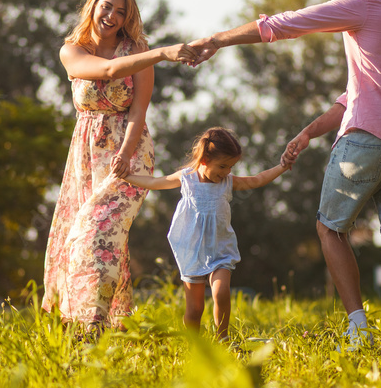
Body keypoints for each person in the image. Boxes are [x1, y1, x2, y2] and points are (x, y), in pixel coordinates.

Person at [189, 0, 381, 350]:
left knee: (329, 229)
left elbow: (284, 23)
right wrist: (309, 132)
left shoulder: (367, 3)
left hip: (369, 139)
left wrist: (218, 39)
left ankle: (358, 328)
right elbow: (359, 94)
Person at [43, 0, 195, 332]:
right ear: (93, 6)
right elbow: (110, 72)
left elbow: (139, 110)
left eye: (121, 11)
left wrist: (125, 155)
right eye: (106, 7)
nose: (112, 16)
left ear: (128, 18)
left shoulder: (136, 50)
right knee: (91, 236)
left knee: (98, 232)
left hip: (130, 152)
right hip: (86, 154)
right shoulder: (72, 50)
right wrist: (163, 52)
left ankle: (91, 324)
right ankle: (108, 323)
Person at [121, 127, 290, 342]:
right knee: (194, 308)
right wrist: (127, 177)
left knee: (221, 294)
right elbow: (155, 183)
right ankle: (194, 347)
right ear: (204, 159)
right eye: (222, 166)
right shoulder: (187, 179)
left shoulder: (228, 182)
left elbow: (257, 179)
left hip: (220, 250)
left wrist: (282, 167)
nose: (227, 171)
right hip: (192, 252)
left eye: (231, 166)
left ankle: (222, 339)